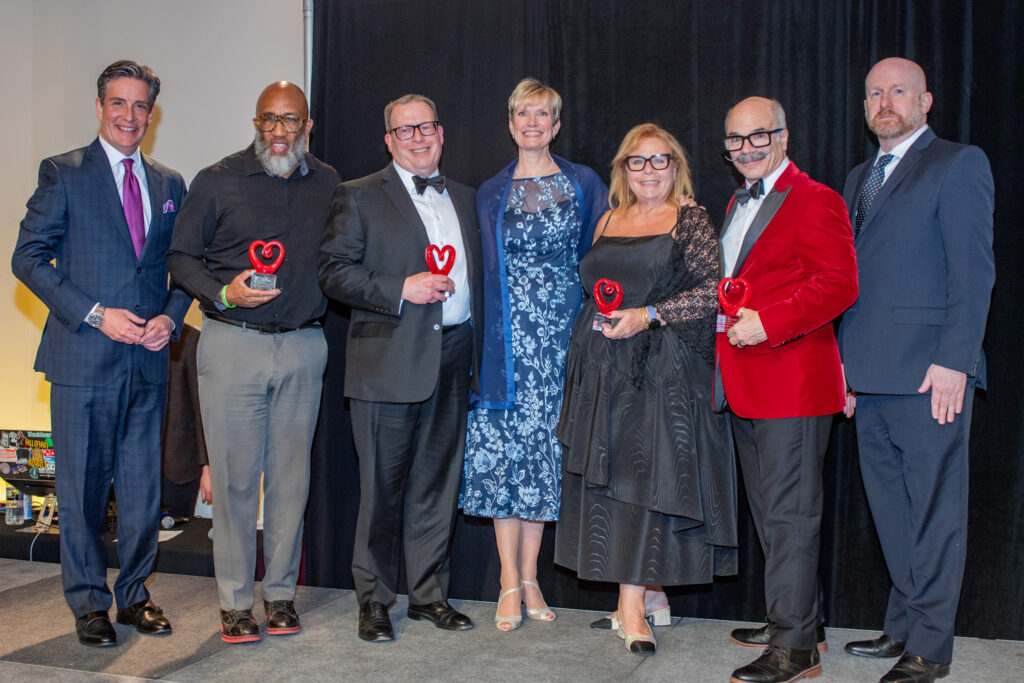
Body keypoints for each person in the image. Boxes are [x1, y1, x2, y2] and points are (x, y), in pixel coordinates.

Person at [12, 60, 189, 647]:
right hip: (83, 358)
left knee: (141, 490)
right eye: (119, 103)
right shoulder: (63, 172)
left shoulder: (170, 184)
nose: (129, 116)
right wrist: (95, 314)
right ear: (99, 107)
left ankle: (134, 595)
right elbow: (27, 259)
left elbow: (183, 267)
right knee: (83, 491)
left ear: (151, 114)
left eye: (140, 106)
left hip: (148, 361)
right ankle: (89, 603)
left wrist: (170, 316)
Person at [555, 123, 738, 657]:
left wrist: (647, 315)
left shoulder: (691, 219)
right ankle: (650, 594)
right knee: (612, 480)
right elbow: (592, 286)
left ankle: (630, 606)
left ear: (676, 167)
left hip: (661, 368)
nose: (649, 170)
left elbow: (710, 293)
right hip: (601, 363)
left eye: (660, 160)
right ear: (623, 169)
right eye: (637, 161)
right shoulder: (608, 218)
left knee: (641, 479)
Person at [839, 58, 994, 683]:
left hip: (931, 375)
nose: (885, 101)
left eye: (898, 91)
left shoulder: (958, 164)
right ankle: (903, 625)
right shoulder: (858, 177)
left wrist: (956, 360)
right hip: (868, 374)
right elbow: (850, 282)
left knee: (933, 513)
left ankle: (930, 647)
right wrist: (842, 369)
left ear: (925, 101)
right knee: (892, 512)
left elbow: (973, 272)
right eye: (875, 93)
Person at [166, 81, 339, 644]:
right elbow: (181, 258)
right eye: (269, 119)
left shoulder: (330, 184)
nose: (279, 131)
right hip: (232, 343)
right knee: (235, 482)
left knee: (292, 482)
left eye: (290, 120)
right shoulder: (217, 180)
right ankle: (236, 603)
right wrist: (223, 294)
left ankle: (281, 595)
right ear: (256, 123)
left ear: (308, 126)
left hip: (304, 345)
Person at [319, 94, 483, 643]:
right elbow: (332, 273)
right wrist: (400, 288)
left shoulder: (466, 198)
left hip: (454, 357)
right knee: (381, 491)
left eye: (426, 127)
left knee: (438, 485)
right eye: (405, 130)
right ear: (388, 140)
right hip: (386, 364)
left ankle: (429, 595)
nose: (418, 138)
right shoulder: (358, 194)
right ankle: (374, 600)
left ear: (442, 132)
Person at [715, 97, 858, 683]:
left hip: (791, 382)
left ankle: (795, 650)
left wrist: (769, 322)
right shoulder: (736, 201)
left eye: (759, 136)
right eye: (735, 139)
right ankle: (798, 621)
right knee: (773, 515)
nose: (746, 148)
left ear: (783, 136)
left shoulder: (816, 198)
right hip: (745, 382)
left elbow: (839, 284)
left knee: (790, 517)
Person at [459, 78, 608, 631]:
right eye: (523, 113)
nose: (532, 122)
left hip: (562, 343)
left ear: (556, 125)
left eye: (542, 114)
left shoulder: (583, 182)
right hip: (505, 346)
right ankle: (507, 580)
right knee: (506, 457)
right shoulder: (490, 192)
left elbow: (607, 250)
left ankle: (531, 578)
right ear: (510, 123)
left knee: (543, 458)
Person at [161, 323, 211, 519]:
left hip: (179, 465)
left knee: (178, 534)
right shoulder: (126, 332)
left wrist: (207, 466)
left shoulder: (190, 339)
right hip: (133, 465)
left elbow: (201, 408)